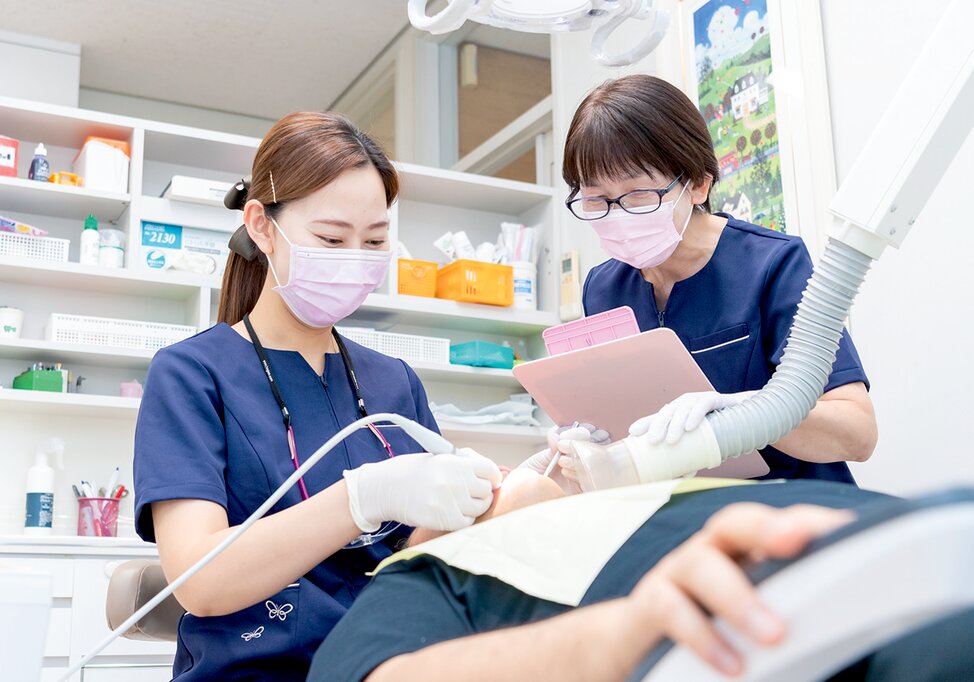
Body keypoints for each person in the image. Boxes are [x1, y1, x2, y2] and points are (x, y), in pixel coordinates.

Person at [132, 112, 501, 681]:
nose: (355, 256)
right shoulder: (192, 374)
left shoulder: (394, 382)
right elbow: (200, 583)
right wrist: (364, 496)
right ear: (261, 225)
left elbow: (419, 558)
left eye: (375, 240)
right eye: (331, 238)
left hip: (385, 663)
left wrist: (480, 496)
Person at [541, 74, 877, 485]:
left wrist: (746, 411)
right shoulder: (603, 288)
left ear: (698, 183)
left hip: (792, 510)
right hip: (679, 516)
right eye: (596, 199)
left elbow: (857, 433)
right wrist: (590, 441)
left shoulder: (772, 265)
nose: (617, 215)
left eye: (638, 195)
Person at [310, 477, 974, 681]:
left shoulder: (655, 492)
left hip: (906, 534)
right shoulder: (423, 573)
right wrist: (632, 627)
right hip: (818, 632)